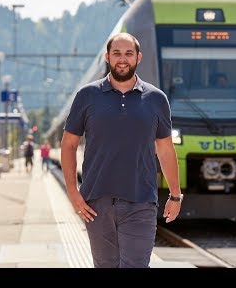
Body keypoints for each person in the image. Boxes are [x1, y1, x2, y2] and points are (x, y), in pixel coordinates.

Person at [60, 32, 182, 268]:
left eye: (128, 54)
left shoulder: (157, 99)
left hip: (141, 202)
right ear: (107, 57)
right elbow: (68, 144)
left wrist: (175, 195)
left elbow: (165, 149)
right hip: (96, 203)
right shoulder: (87, 96)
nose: (122, 59)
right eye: (116, 53)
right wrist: (73, 192)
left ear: (138, 57)